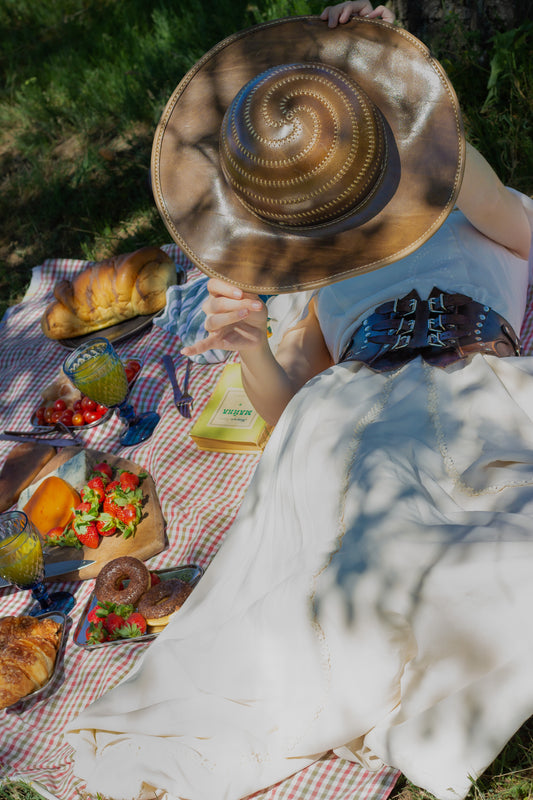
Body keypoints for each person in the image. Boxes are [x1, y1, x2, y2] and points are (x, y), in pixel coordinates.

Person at [65, 4, 533, 800]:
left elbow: (453, 163)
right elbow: (288, 407)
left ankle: (422, 678)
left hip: (472, 385)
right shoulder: (324, 274)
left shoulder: (479, 203)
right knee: (349, 558)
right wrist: (249, 343)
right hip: (348, 410)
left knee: (493, 551)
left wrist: (371, 65)